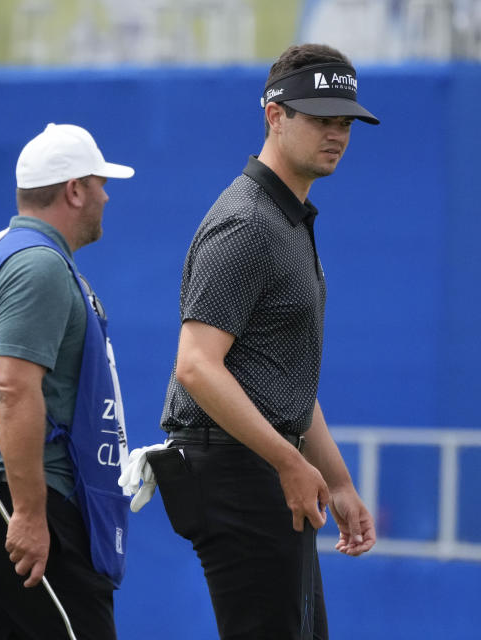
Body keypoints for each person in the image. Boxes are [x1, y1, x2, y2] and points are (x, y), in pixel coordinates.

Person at [124, 44, 378, 639]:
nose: (336, 134)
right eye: (320, 118)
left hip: (261, 464)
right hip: (239, 469)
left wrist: (337, 480)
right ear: (275, 116)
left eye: (344, 122)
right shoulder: (248, 223)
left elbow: (283, 377)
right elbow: (196, 367)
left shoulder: (287, 219)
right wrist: (289, 460)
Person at [0, 123, 134, 639]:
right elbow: (13, 388)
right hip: (23, 499)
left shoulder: (4, 252)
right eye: (99, 183)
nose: (107, 196)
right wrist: (28, 513)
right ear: (74, 190)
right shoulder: (38, 265)